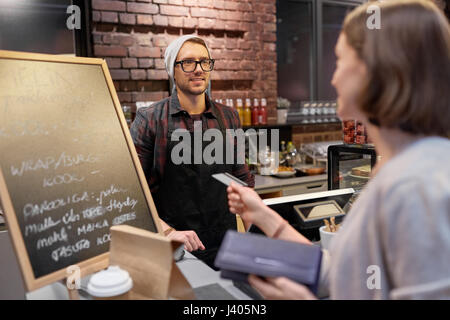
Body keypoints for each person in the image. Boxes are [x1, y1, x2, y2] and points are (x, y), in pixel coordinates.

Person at [227, 0, 450, 299]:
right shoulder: (403, 169)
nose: (332, 78)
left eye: (340, 60)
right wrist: (264, 215)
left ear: (375, 72)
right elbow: (348, 274)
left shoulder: (415, 187)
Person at [130, 35, 254, 269]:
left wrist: (255, 235)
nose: (198, 69)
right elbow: (133, 193)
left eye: (204, 62)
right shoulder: (151, 119)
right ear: (172, 70)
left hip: (225, 243)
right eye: (188, 62)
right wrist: (168, 232)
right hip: (177, 249)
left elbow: (242, 180)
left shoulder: (229, 117)